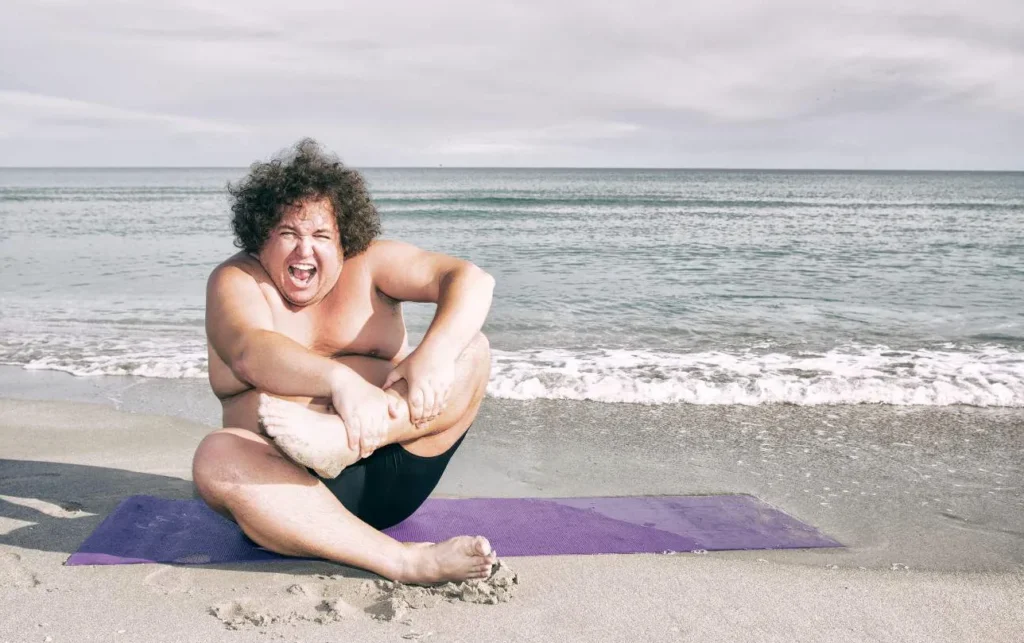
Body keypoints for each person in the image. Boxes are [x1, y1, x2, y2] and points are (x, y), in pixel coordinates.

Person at [192, 139, 497, 584]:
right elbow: (248, 351)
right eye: (288, 234)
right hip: (283, 492)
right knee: (215, 455)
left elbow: (471, 279)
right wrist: (341, 382)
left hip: (394, 469)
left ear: (344, 240)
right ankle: (405, 561)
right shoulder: (236, 281)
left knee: (474, 349)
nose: (304, 251)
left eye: (320, 236)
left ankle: (339, 438)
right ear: (261, 238)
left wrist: (434, 353)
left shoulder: (371, 264)